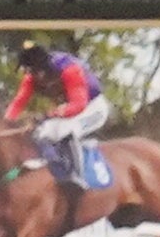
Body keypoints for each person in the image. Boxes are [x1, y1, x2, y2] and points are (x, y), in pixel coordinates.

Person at [13, 40, 113, 193]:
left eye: (32, 71)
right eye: (28, 72)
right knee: (41, 132)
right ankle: (56, 166)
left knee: (65, 130)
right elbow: (18, 103)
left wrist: (49, 114)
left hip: (94, 108)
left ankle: (77, 177)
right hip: (71, 109)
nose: (30, 76)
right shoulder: (32, 77)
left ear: (43, 67)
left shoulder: (70, 69)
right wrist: (7, 122)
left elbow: (78, 104)